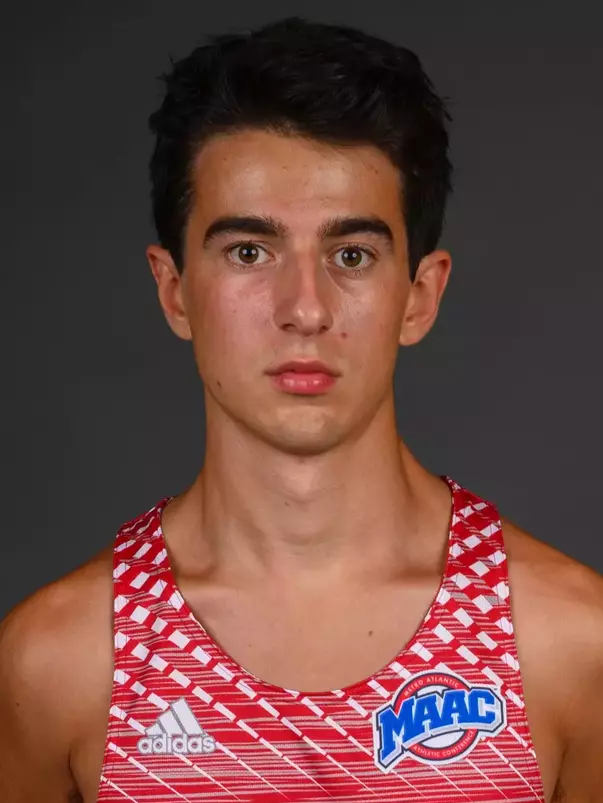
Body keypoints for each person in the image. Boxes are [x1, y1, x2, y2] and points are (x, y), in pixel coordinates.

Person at [1, 15, 601, 803]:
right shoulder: (63, 663)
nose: (304, 309)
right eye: (249, 251)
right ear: (173, 288)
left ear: (418, 296)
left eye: (350, 255)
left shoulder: (565, 645)